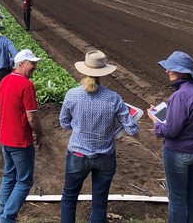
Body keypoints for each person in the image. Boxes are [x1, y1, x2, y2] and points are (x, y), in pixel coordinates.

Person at [59, 50, 140, 223]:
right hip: (105, 156)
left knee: (69, 197)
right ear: (104, 73)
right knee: (100, 200)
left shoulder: (72, 95)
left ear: (83, 70)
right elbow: (132, 128)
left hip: (77, 155)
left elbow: (64, 123)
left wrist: (78, 125)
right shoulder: (114, 98)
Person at [147, 51, 193, 223]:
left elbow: (171, 130)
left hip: (178, 152)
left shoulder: (180, 95)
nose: (167, 71)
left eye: (170, 68)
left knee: (177, 198)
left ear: (182, 71)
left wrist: (155, 121)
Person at [0, 49, 45, 223]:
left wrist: (7, 120)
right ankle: (7, 217)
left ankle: (2, 213)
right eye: (32, 63)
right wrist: (41, 135)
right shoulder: (27, 86)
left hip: (5, 138)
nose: (35, 67)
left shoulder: (5, 80)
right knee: (24, 181)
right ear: (21, 64)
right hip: (20, 140)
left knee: (9, 176)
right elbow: (32, 117)